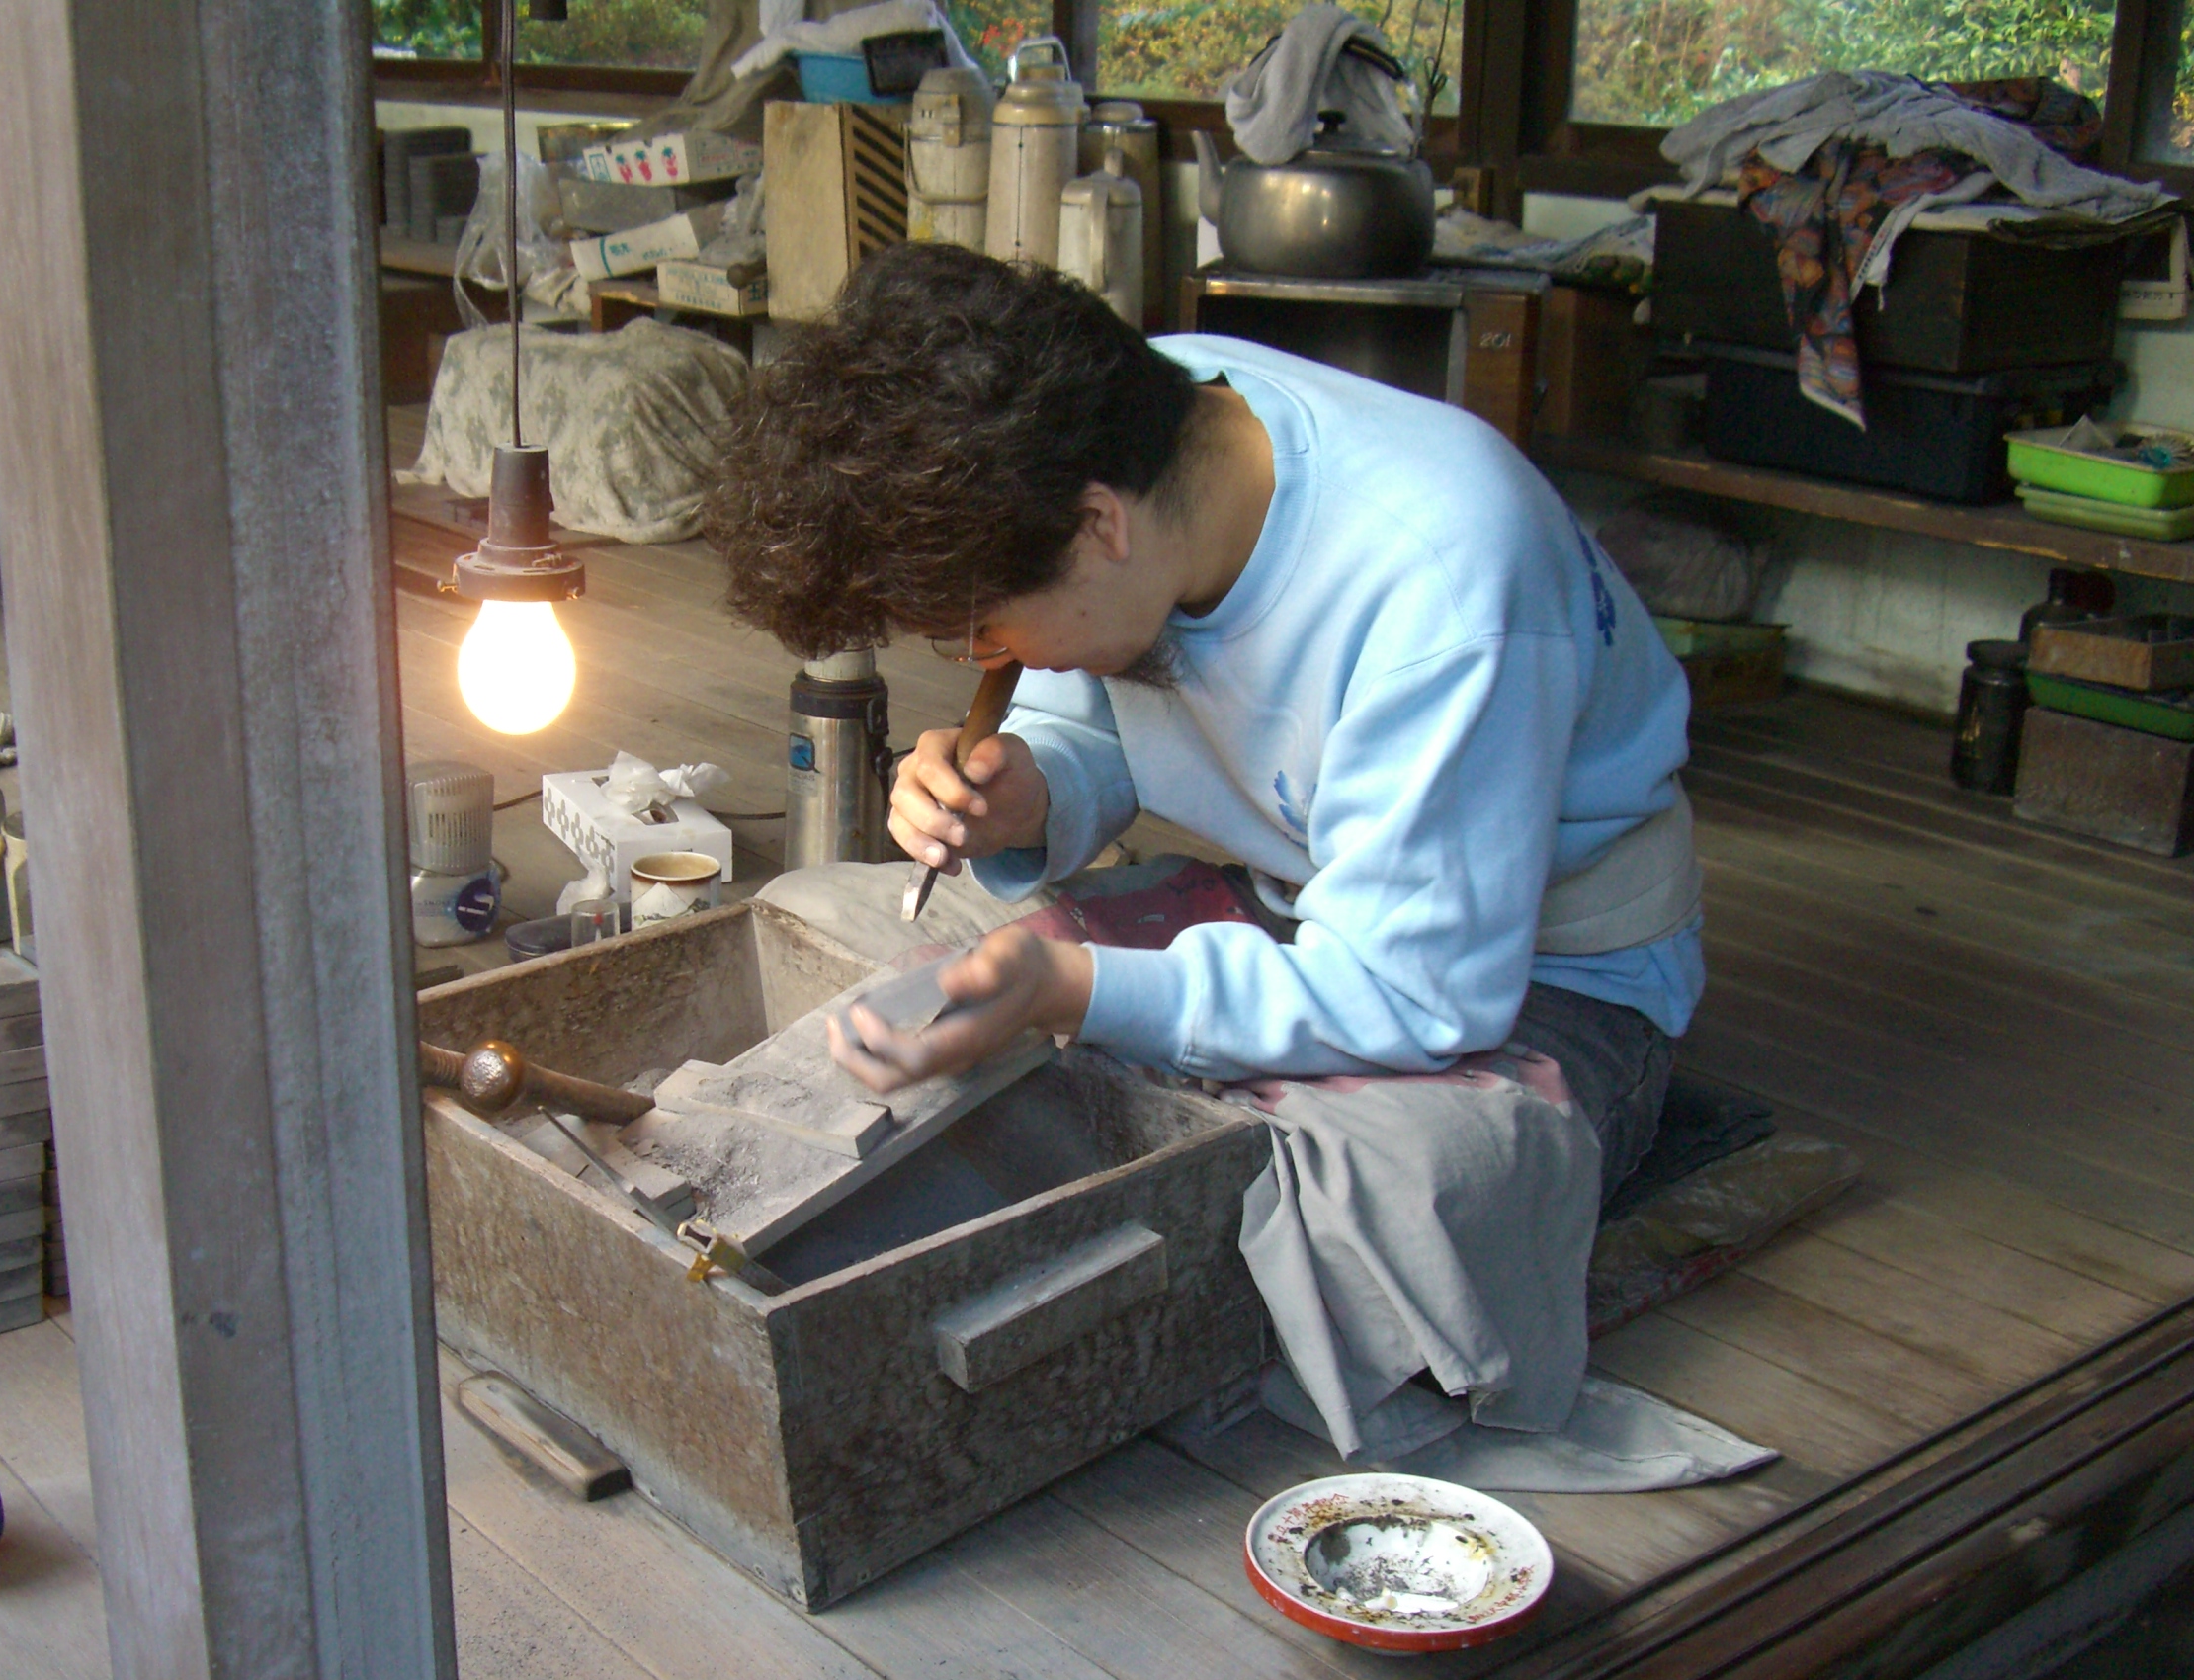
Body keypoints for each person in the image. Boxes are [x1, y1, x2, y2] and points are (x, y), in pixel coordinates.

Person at [704, 244, 1701, 1204]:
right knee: (823, 914)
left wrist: (1071, 990)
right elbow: (1105, 720)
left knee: (1398, 1189)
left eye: (980, 626)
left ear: (1099, 528)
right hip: (1292, 899)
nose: (984, 661)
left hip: (1531, 976)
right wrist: (1030, 791)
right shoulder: (1114, 432)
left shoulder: (1444, 582)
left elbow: (1413, 994)